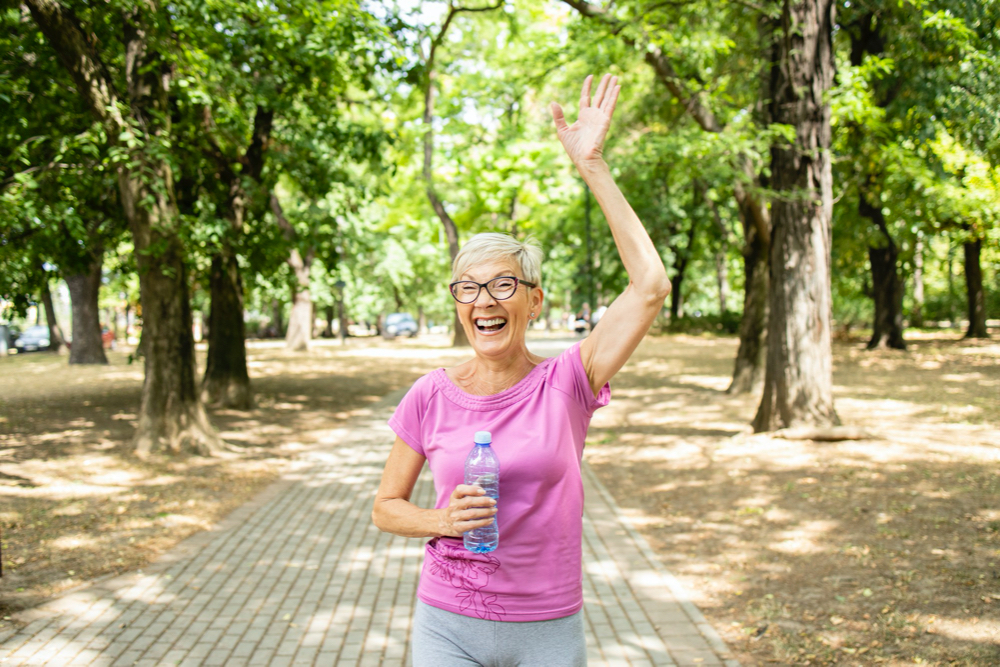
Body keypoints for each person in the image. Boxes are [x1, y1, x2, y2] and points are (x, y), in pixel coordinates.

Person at [372, 73, 671, 666]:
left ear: (533, 301)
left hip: (547, 626)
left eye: (503, 284)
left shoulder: (568, 382)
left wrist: (593, 166)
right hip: (447, 621)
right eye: (469, 288)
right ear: (458, 304)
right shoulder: (430, 395)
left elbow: (651, 285)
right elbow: (386, 506)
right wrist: (440, 519)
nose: (484, 300)